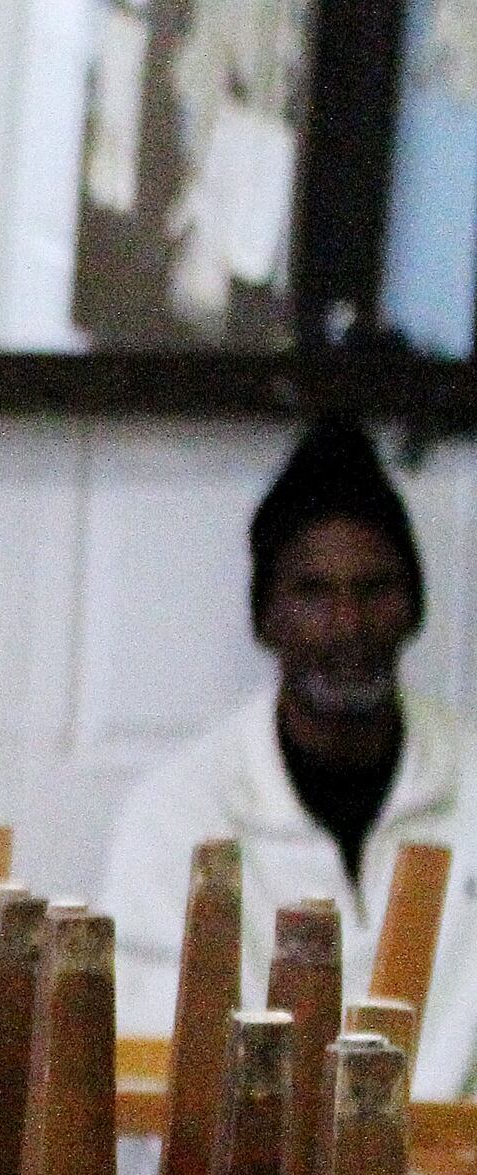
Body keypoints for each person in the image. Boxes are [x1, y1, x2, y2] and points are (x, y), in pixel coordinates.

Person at [101, 419, 477, 1102]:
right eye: (313, 592)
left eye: (375, 589)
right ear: (265, 617)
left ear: (415, 608)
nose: (348, 624)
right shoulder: (179, 813)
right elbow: (152, 1067)